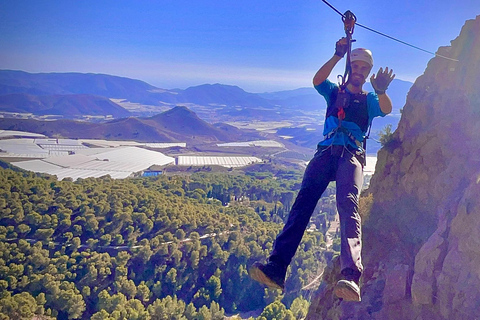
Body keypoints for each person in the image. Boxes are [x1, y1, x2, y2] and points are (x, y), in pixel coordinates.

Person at [249, 37, 395, 302]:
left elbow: (386, 110)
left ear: (368, 73)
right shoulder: (334, 91)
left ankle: (350, 275)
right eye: (357, 66)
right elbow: (317, 80)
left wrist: (382, 91)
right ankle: (276, 267)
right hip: (326, 152)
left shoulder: (370, 98)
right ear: (351, 68)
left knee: (348, 207)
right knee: (302, 205)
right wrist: (337, 56)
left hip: (349, 155)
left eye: (365, 68)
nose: (360, 71)